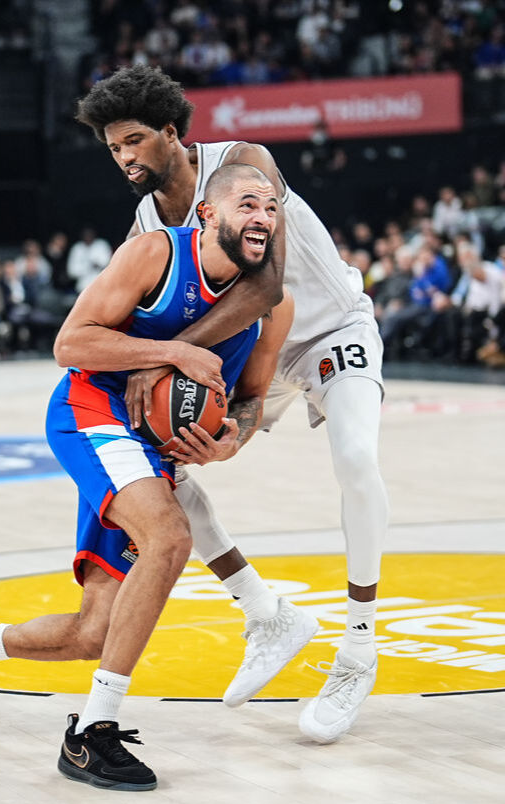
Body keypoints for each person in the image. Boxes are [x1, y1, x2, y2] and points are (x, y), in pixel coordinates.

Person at [0, 164, 294, 791]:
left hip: (151, 450)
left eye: (272, 208)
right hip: (93, 414)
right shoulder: (154, 256)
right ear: (207, 214)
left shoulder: (273, 305)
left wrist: (230, 442)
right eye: (248, 203)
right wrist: (171, 350)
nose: (263, 217)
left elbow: (249, 399)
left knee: (95, 632)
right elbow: (70, 344)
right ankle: (91, 733)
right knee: (171, 539)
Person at [74, 65, 389, 743]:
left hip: (328, 331)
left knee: (357, 458)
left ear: (171, 132)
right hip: (250, 358)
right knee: (160, 465)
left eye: (134, 140)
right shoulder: (144, 225)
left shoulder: (244, 165)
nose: (125, 157)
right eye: (113, 149)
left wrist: (175, 351)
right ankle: (264, 611)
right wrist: (204, 399)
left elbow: (266, 286)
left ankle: (358, 649)